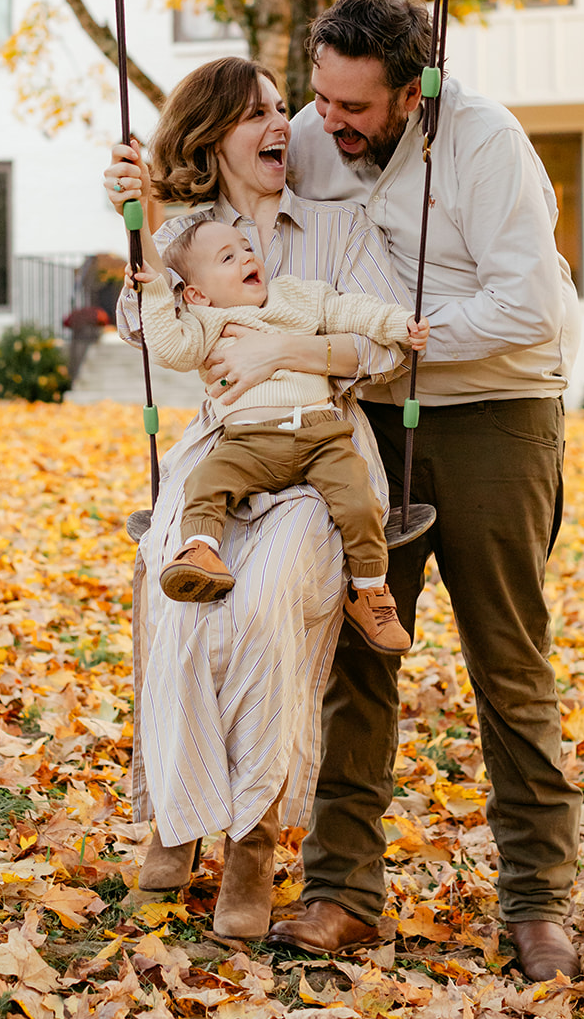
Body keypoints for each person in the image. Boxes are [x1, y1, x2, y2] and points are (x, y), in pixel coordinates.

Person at [254, 0, 582, 981]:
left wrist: (407, 336)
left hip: (494, 414)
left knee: (507, 663)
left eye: (353, 106)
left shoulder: (484, 145)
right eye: (321, 97)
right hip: (369, 424)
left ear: (411, 90)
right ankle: (341, 892)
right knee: (361, 651)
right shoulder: (318, 133)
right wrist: (146, 185)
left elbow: (524, 301)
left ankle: (536, 902)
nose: (329, 122)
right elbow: (236, 190)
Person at [104, 56, 412, 940]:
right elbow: (145, 330)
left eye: (284, 107)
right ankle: (176, 809)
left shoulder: (337, 228)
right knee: (180, 595)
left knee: (272, 599)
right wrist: (138, 220)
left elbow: (381, 350)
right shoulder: (187, 231)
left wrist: (283, 354)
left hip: (322, 449)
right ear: (213, 136)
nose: (282, 123)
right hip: (221, 452)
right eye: (258, 113)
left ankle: (249, 841)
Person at [129, 216, 427, 656]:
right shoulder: (204, 321)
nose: (247, 256)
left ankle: (369, 591)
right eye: (228, 257)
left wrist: (398, 323)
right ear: (197, 293)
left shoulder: (298, 297)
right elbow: (169, 347)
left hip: (322, 434)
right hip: (248, 441)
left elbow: (351, 310)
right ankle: (201, 550)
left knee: (360, 501)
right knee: (205, 481)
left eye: (247, 247)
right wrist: (154, 288)